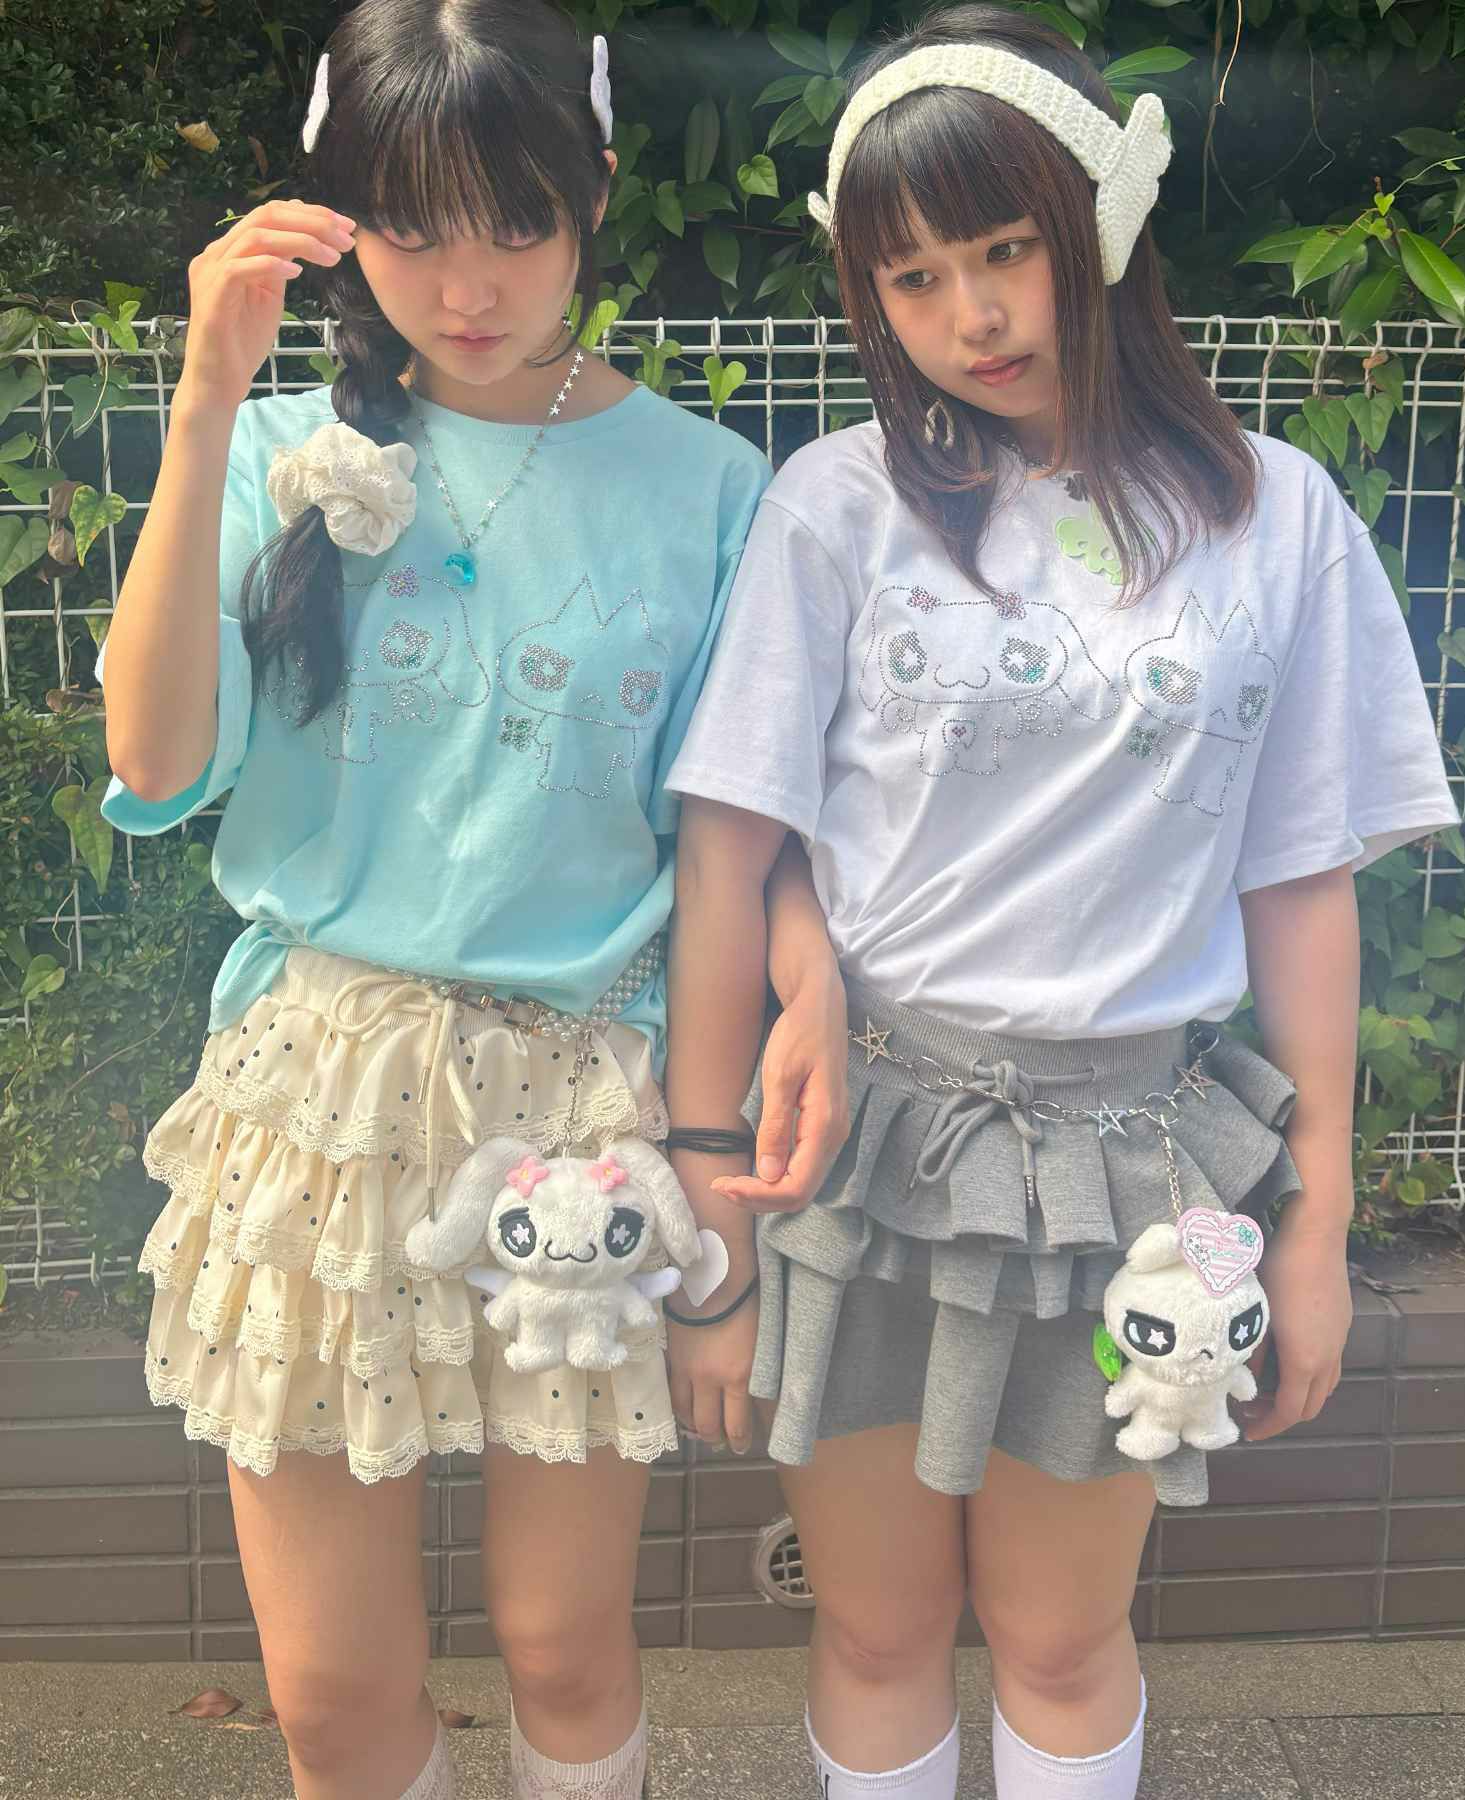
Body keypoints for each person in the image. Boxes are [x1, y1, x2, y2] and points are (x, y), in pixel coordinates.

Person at [663, 8, 1458, 1799]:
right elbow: (733, 851)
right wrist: (708, 1197)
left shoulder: (1277, 517)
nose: (973, 314)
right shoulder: (833, 508)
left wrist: (1316, 1223)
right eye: (914, 276)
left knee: (1064, 1637)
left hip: (1132, 1173)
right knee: (876, 1630)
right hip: (864, 1154)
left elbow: (1301, 882)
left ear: (1100, 219)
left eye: (1006, 247)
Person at [95, 4, 808, 1795]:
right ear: (340, 222)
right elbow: (158, 758)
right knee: (332, 1691)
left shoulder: (717, 491)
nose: (470, 284)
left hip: (583, 1109)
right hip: (320, 1100)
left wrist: (737, 1130)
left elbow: (733, 854)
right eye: (412, 229)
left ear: (598, 196)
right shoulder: (273, 448)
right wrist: (202, 407)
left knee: (565, 1647)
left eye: (519, 221)